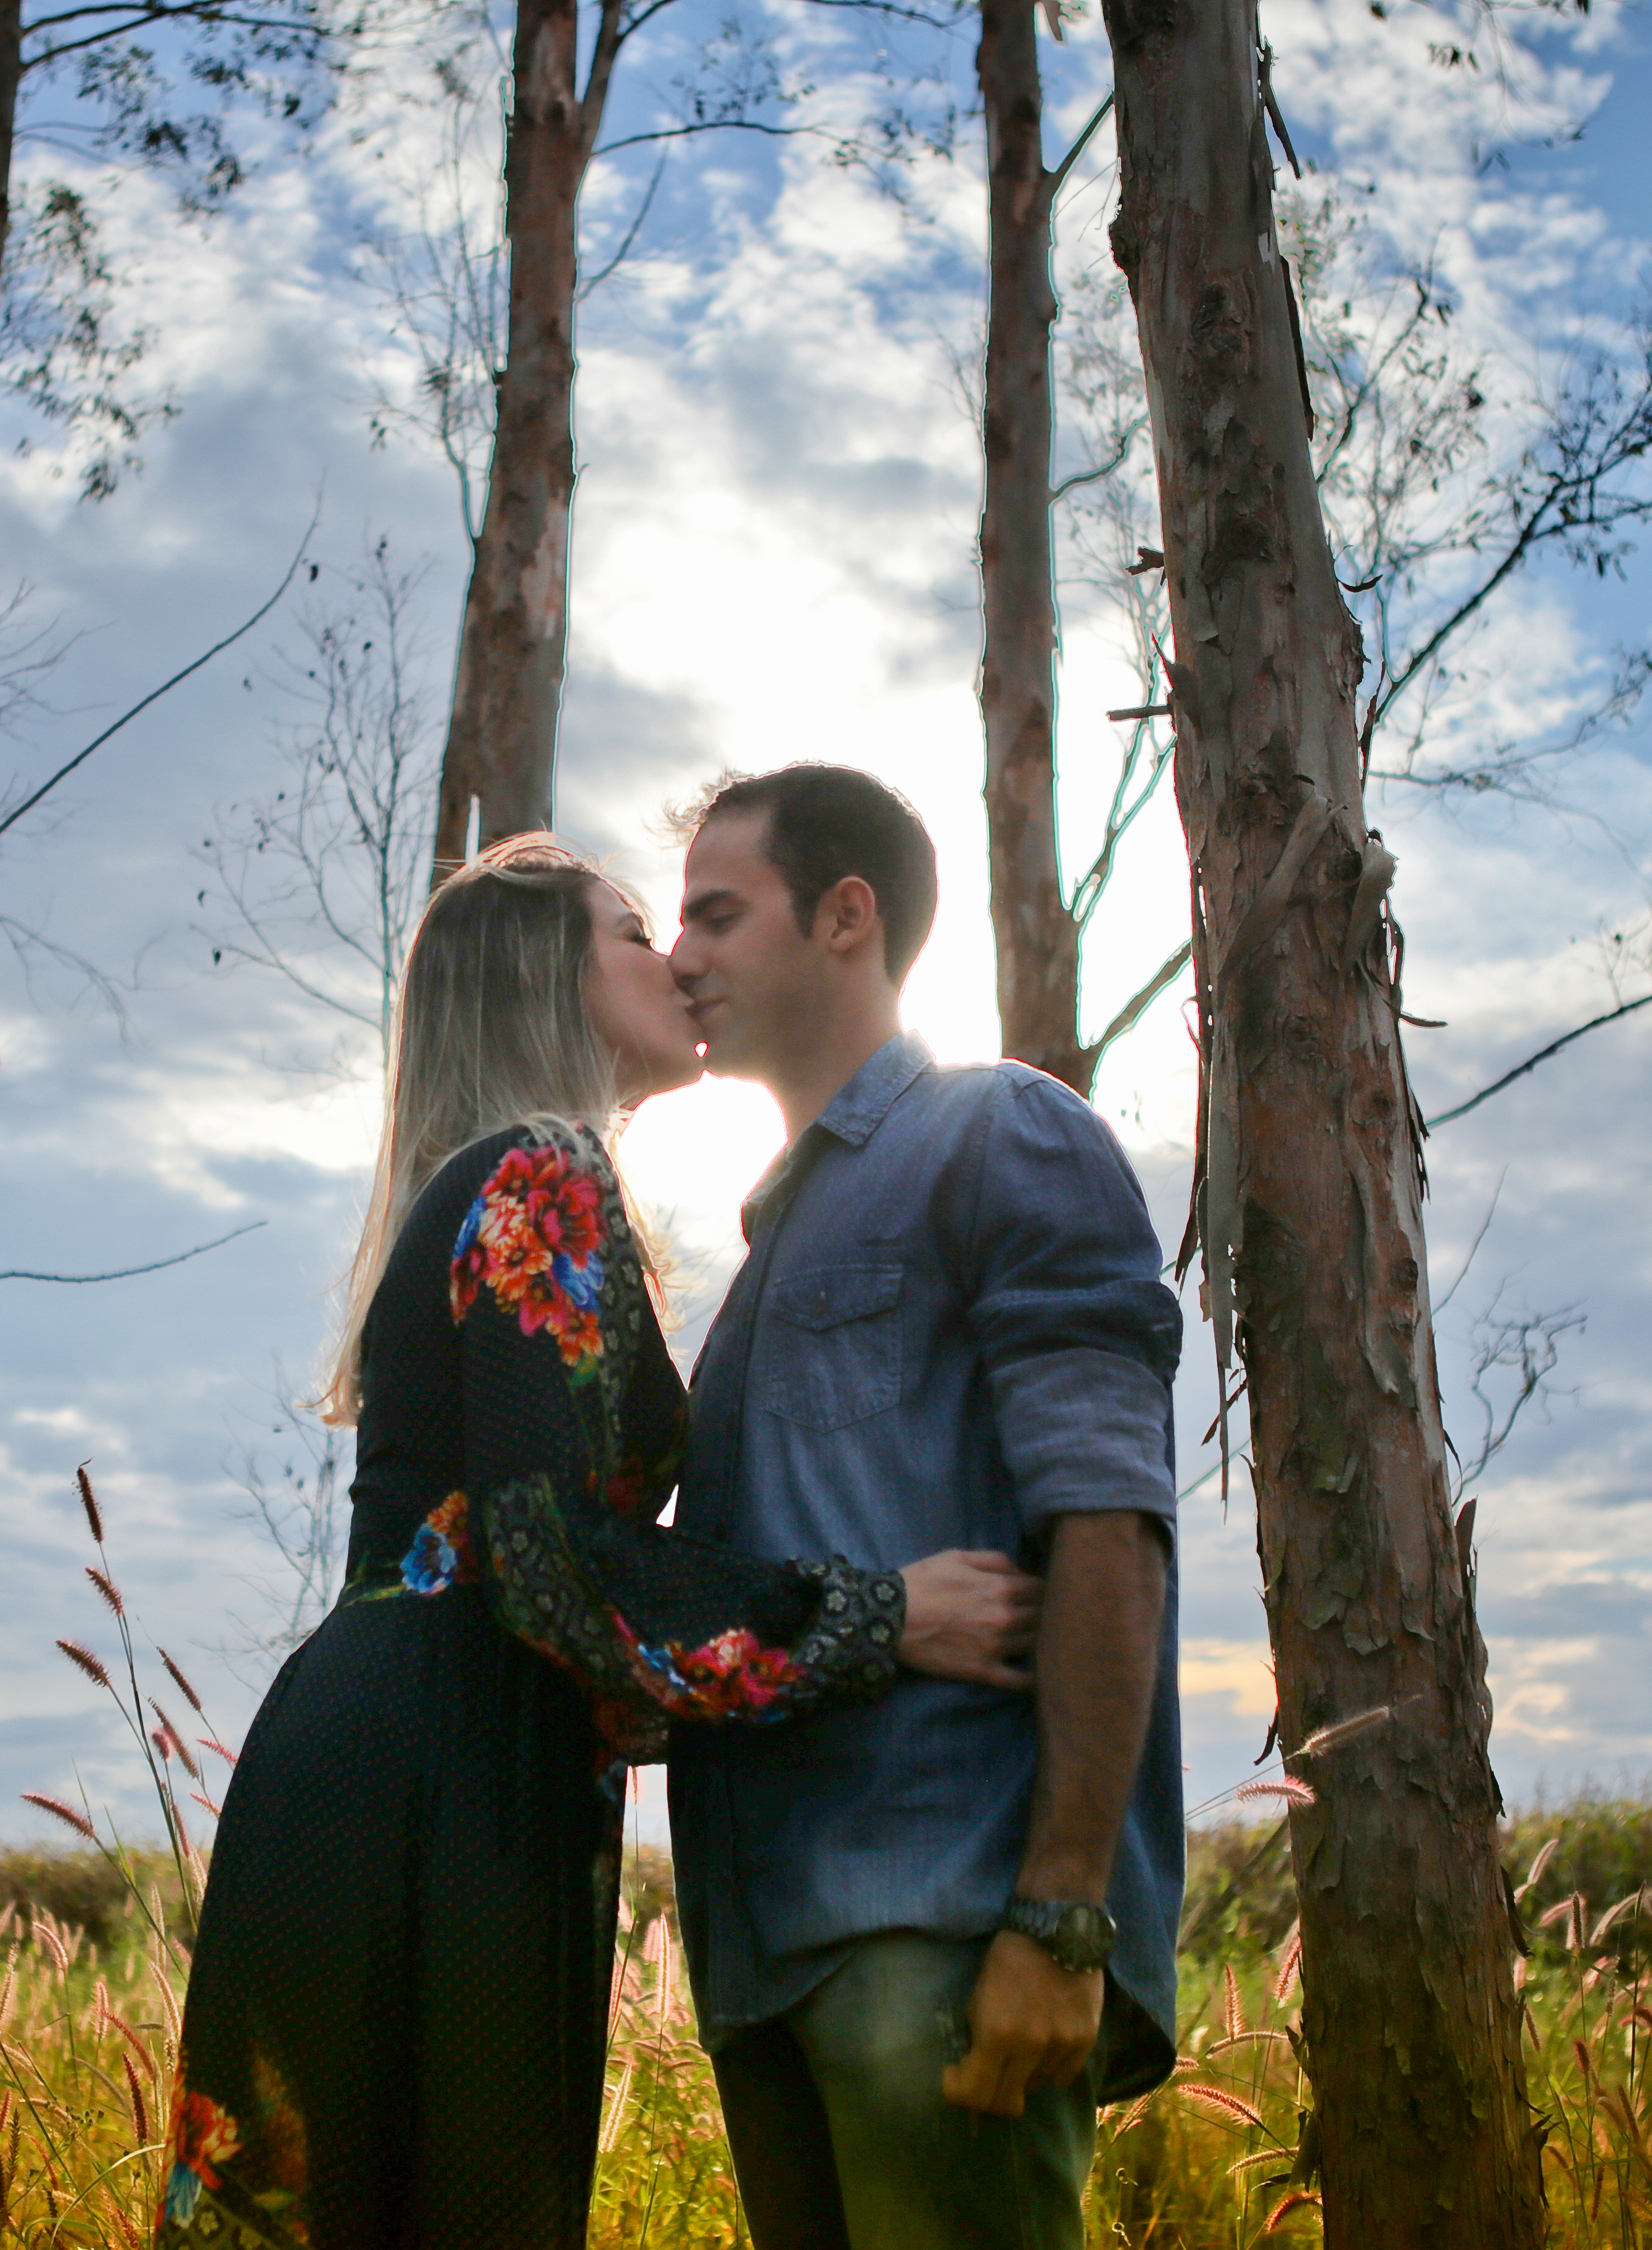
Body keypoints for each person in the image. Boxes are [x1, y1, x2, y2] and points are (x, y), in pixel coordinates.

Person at [158, 836, 1042, 2250]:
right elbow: (552, 1561)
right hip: (441, 1775)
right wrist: (883, 1618)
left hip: (398, 1754)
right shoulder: (539, 1173)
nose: (678, 958)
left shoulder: (505, 1182)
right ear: (544, 980)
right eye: (633, 930)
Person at [664, 765, 1186, 2250]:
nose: (681, 954)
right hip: (763, 1965)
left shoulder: (999, 1133)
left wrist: (1060, 1916)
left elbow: (1109, 1520)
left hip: (939, 1928)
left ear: (847, 917)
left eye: (717, 911)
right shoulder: (767, 1240)